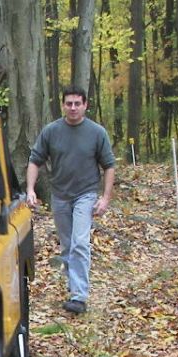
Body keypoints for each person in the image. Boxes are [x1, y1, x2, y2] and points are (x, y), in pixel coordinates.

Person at [25, 86, 115, 315]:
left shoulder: (96, 132)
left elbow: (109, 166)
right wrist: (30, 189)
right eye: (69, 104)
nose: (73, 108)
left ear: (85, 105)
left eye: (77, 103)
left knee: (80, 243)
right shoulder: (51, 131)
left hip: (86, 194)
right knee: (67, 246)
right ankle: (74, 284)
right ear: (63, 105)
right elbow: (35, 160)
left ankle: (79, 296)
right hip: (60, 195)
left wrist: (105, 198)